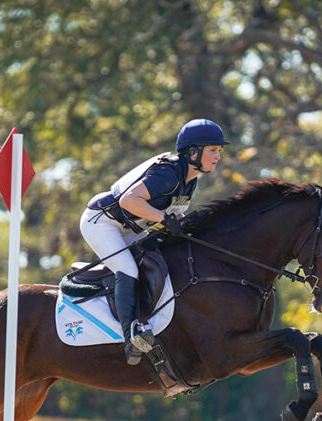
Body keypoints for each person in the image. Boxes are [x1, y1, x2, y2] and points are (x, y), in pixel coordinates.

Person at [80, 118, 229, 365]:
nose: (218, 156)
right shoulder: (167, 174)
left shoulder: (190, 180)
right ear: (193, 152)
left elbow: (174, 212)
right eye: (213, 150)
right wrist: (163, 218)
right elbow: (129, 201)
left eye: (219, 151)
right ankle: (132, 336)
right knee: (127, 268)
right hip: (102, 223)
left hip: (131, 227)